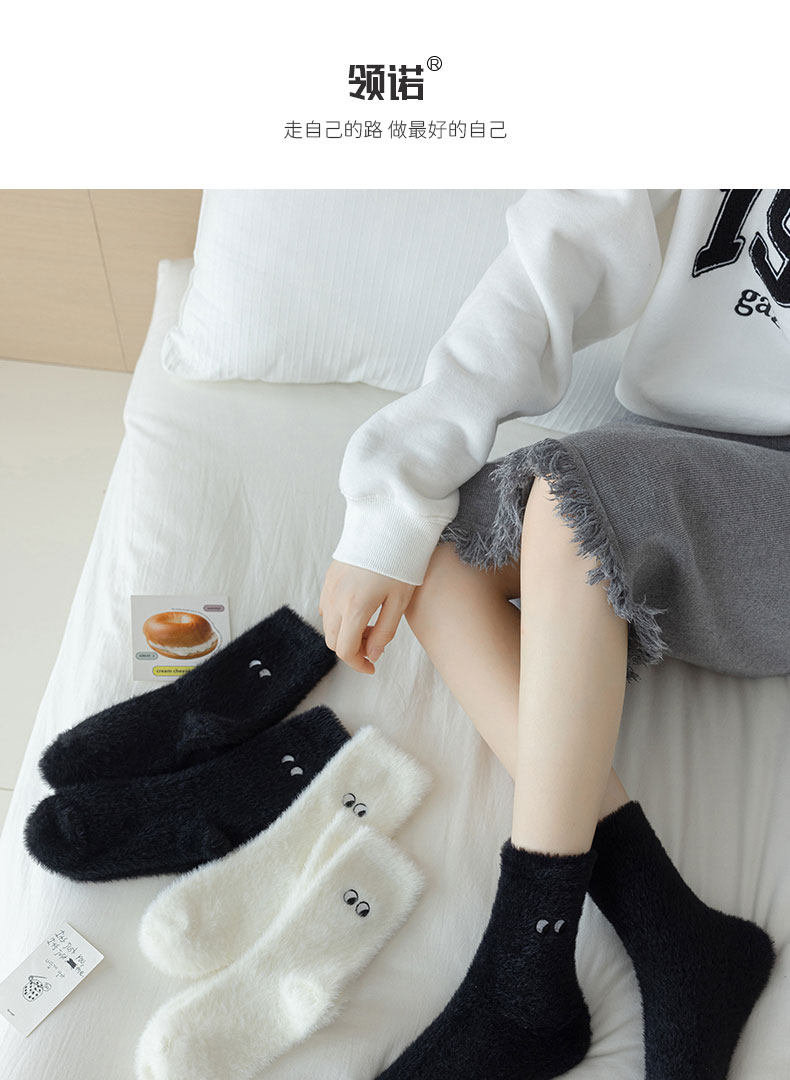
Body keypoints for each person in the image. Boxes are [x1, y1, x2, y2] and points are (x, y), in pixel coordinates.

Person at [319, 189, 787, 1079]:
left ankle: (523, 969)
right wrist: (393, 500)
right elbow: (562, 248)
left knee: (577, 499)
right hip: (667, 467)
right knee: (441, 545)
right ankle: (671, 933)